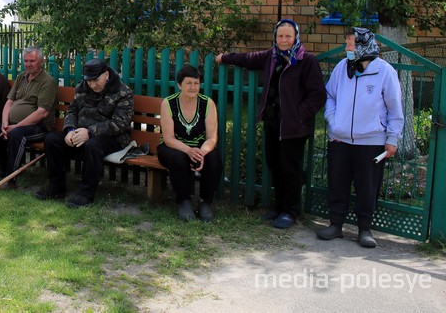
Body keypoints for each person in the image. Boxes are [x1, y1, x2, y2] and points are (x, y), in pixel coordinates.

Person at [215, 19, 326, 228]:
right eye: (280, 36)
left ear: (296, 38)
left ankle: (291, 211)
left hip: (294, 127)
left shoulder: (306, 61)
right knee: (274, 165)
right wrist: (225, 57)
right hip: (274, 122)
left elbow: (317, 96)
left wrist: (297, 115)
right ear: (275, 37)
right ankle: (278, 207)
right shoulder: (272, 57)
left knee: (289, 168)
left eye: (288, 36)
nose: (284, 40)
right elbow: (248, 58)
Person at [317, 27, 404, 248]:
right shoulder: (341, 68)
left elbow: (395, 109)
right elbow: (330, 96)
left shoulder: (385, 72)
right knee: (338, 182)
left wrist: (393, 138)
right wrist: (333, 120)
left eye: (351, 44)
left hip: (371, 141)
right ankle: (336, 224)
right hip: (340, 139)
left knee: (367, 186)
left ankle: (364, 229)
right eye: (347, 43)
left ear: (364, 46)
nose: (347, 48)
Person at [35, 58, 134, 208]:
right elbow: (72, 110)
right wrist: (69, 130)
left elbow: (120, 124)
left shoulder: (122, 92)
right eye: (89, 81)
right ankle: (56, 187)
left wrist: (90, 132)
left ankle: (86, 193)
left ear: (106, 75)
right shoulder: (82, 88)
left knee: (93, 145)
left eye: (96, 80)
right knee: (52, 139)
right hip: (80, 133)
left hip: (113, 137)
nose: (92, 85)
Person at [0, 47, 57, 188]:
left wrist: (16, 127)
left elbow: (42, 113)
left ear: (41, 61)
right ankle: (6, 167)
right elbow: (9, 101)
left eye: (32, 61)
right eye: (26, 61)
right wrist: (4, 124)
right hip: (12, 124)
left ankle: (11, 179)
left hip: (40, 127)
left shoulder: (48, 81)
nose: (28, 64)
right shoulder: (22, 77)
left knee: (16, 135)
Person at [157, 65, 223, 222]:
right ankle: (183, 201)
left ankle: (205, 202)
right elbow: (168, 138)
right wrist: (188, 150)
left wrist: (202, 152)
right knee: (178, 159)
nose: (193, 87)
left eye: (197, 83)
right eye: (189, 83)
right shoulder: (168, 103)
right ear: (180, 85)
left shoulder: (208, 104)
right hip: (173, 146)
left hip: (200, 146)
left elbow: (212, 137)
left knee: (214, 159)